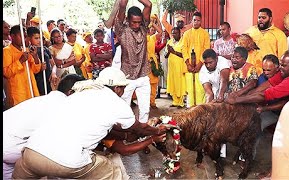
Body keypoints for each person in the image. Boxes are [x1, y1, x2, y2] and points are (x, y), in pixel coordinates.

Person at [12, 67, 167, 179]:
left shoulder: (81, 94)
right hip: (67, 160)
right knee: (115, 172)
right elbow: (140, 129)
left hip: (31, 153)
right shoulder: (116, 103)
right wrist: (155, 133)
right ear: (118, 88)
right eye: (124, 88)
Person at [3, 74, 84, 180]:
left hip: (9, 145)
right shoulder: (63, 106)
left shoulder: (43, 100)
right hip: (10, 147)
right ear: (71, 93)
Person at [225, 50, 289, 129]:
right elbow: (268, 84)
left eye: (283, 65)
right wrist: (240, 95)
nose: (280, 68)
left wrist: (237, 100)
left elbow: (265, 95)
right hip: (286, 107)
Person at [114, 0, 152, 123]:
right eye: (133, 22)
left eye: (138, 22)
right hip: (127, 76)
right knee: (124, 108)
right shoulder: (121, 29)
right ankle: (126, 133)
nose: (136, 25)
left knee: (145, 109)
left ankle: (143, 134)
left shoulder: (143, 27)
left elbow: (149, 4)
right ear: (127, 20)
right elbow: (123, 4)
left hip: (143, 75)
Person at [3, 25, 42, 107]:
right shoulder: (6, 51)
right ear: (12, 36)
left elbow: (36, 70)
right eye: (21, 36)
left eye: (25, 36)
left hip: (31, 89)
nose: (24, 39)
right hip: (18, 93)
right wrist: (20, 61)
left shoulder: (26, 50)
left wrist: (35, 56)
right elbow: (7, 73)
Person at [182, 11, 211, 107]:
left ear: (201, 21)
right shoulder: (186, 34)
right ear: (192, 21)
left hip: (201, 67)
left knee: (200, 89)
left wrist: (200, 64)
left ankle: (200, 109)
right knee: (190, 89)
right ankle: (190, 110)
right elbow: (184, 49)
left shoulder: (205, 34)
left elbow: (206, 49)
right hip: (189, 67)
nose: (196, 22)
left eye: (198, 20)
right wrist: (188, 64)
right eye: (194, 20)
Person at [27, 26, 58, 95]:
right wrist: (40, 68)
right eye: (36, 38)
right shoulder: (28, 52)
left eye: (40, 38)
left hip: (49, 79)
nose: (39, 40)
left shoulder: (45, 49)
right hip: (38, 81)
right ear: (29, 39)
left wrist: (53, 73)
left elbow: (53, 65)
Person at [165, 27, 186, 107]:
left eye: (176, 33)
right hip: (171, 67)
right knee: (172, 82)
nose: (174, 35)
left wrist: (173, 51)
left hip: (179, 66)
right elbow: (166, 56)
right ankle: (175, 101)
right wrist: (169, 51)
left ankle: (181, 102)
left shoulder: (183, 42)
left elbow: (184, 55)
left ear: (180, 33)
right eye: (173, 33)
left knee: (179, 83)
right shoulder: (169, 42)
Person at [147, 17, 163, 109]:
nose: (149, 30)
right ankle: (146, 103)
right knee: (147, 83)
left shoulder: (152, 38)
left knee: (154, 83)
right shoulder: (141, 38)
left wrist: (153, 23)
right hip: (145, 62)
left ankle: (152, 102)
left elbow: (160, 32)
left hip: (153, 61)